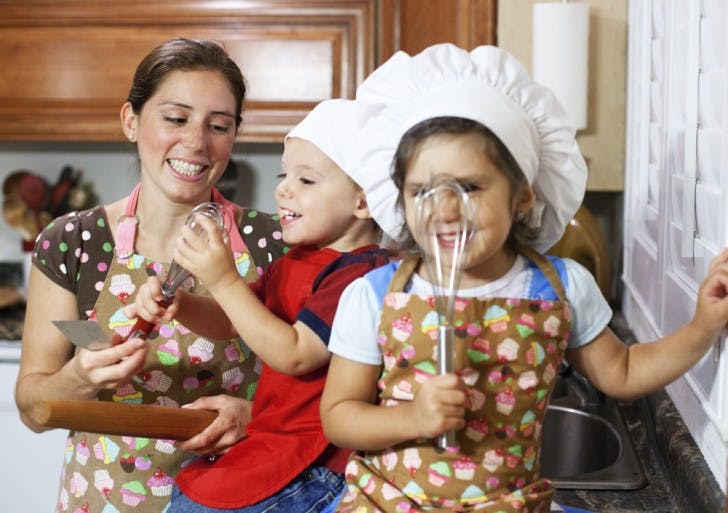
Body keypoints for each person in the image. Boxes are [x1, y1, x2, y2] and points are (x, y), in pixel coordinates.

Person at [319, 43, 728, 513]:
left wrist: (702, 327)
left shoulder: (561, 287)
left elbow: (625, 372)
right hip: (388, 503)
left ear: (523, 196)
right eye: (422, 190)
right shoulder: (375, 295)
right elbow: (339, 416)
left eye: (469, 187)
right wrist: (411, 417)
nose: (445, 208)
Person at [15, 38, 288, 513]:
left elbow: (325, 395)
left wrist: (252, 417)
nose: (197, 142)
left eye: (218, 126)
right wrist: (79, 376)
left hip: (238, 499)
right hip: (101, 501)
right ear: (131, 121)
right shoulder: (74, 243)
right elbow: (33, 406)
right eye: (176, 118)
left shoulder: (273, 244)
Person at [129, 98, 400, 513]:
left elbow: (296, 354)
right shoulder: (297, 261)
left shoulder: (361, 273)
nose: (283, 188)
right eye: (283, 173)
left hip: (317, 463)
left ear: (363, 202)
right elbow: (233, 322)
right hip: (273, 439)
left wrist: (223, 279)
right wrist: (183, 304)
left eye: (306, 180)